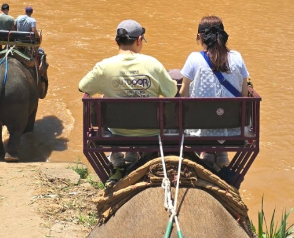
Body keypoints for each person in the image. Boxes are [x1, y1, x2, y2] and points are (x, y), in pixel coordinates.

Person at [79, 20, 177, 185]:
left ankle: (117, 159)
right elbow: (172, 93)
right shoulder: (153, 64)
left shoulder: (104, 67)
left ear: (116, 41)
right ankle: (133, 156)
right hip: (150, 131)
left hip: (118, 130)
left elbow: (82, 87)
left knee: (103, 101)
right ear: (139, 40)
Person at [179, 15, 249, 178]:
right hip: (234, 130)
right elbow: (244, 93)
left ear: (199, 37)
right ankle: (220, 152)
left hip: (200, 132)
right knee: (222, 112)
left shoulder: (194, 59)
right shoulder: (237, 57)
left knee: (201, 113)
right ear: (223, 36)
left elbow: (183, 94)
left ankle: (209, 152)